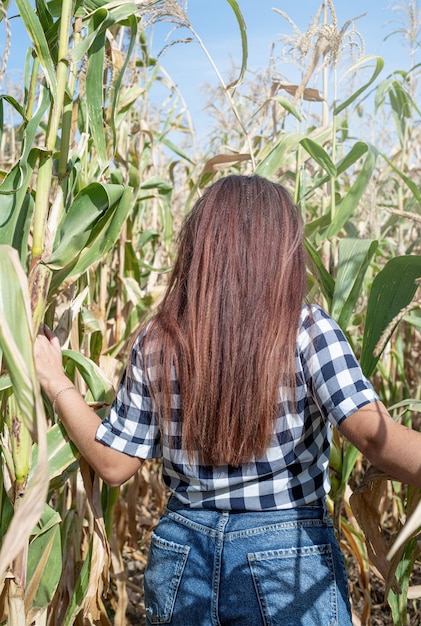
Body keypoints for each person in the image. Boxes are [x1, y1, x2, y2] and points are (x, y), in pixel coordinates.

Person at [34, 174, 421, 626]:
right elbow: (374, 437)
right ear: (279, 251)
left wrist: (55, 379)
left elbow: (114, 464)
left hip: (181, 552)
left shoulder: (160, 339)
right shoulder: (308, 330)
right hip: (286, 551)